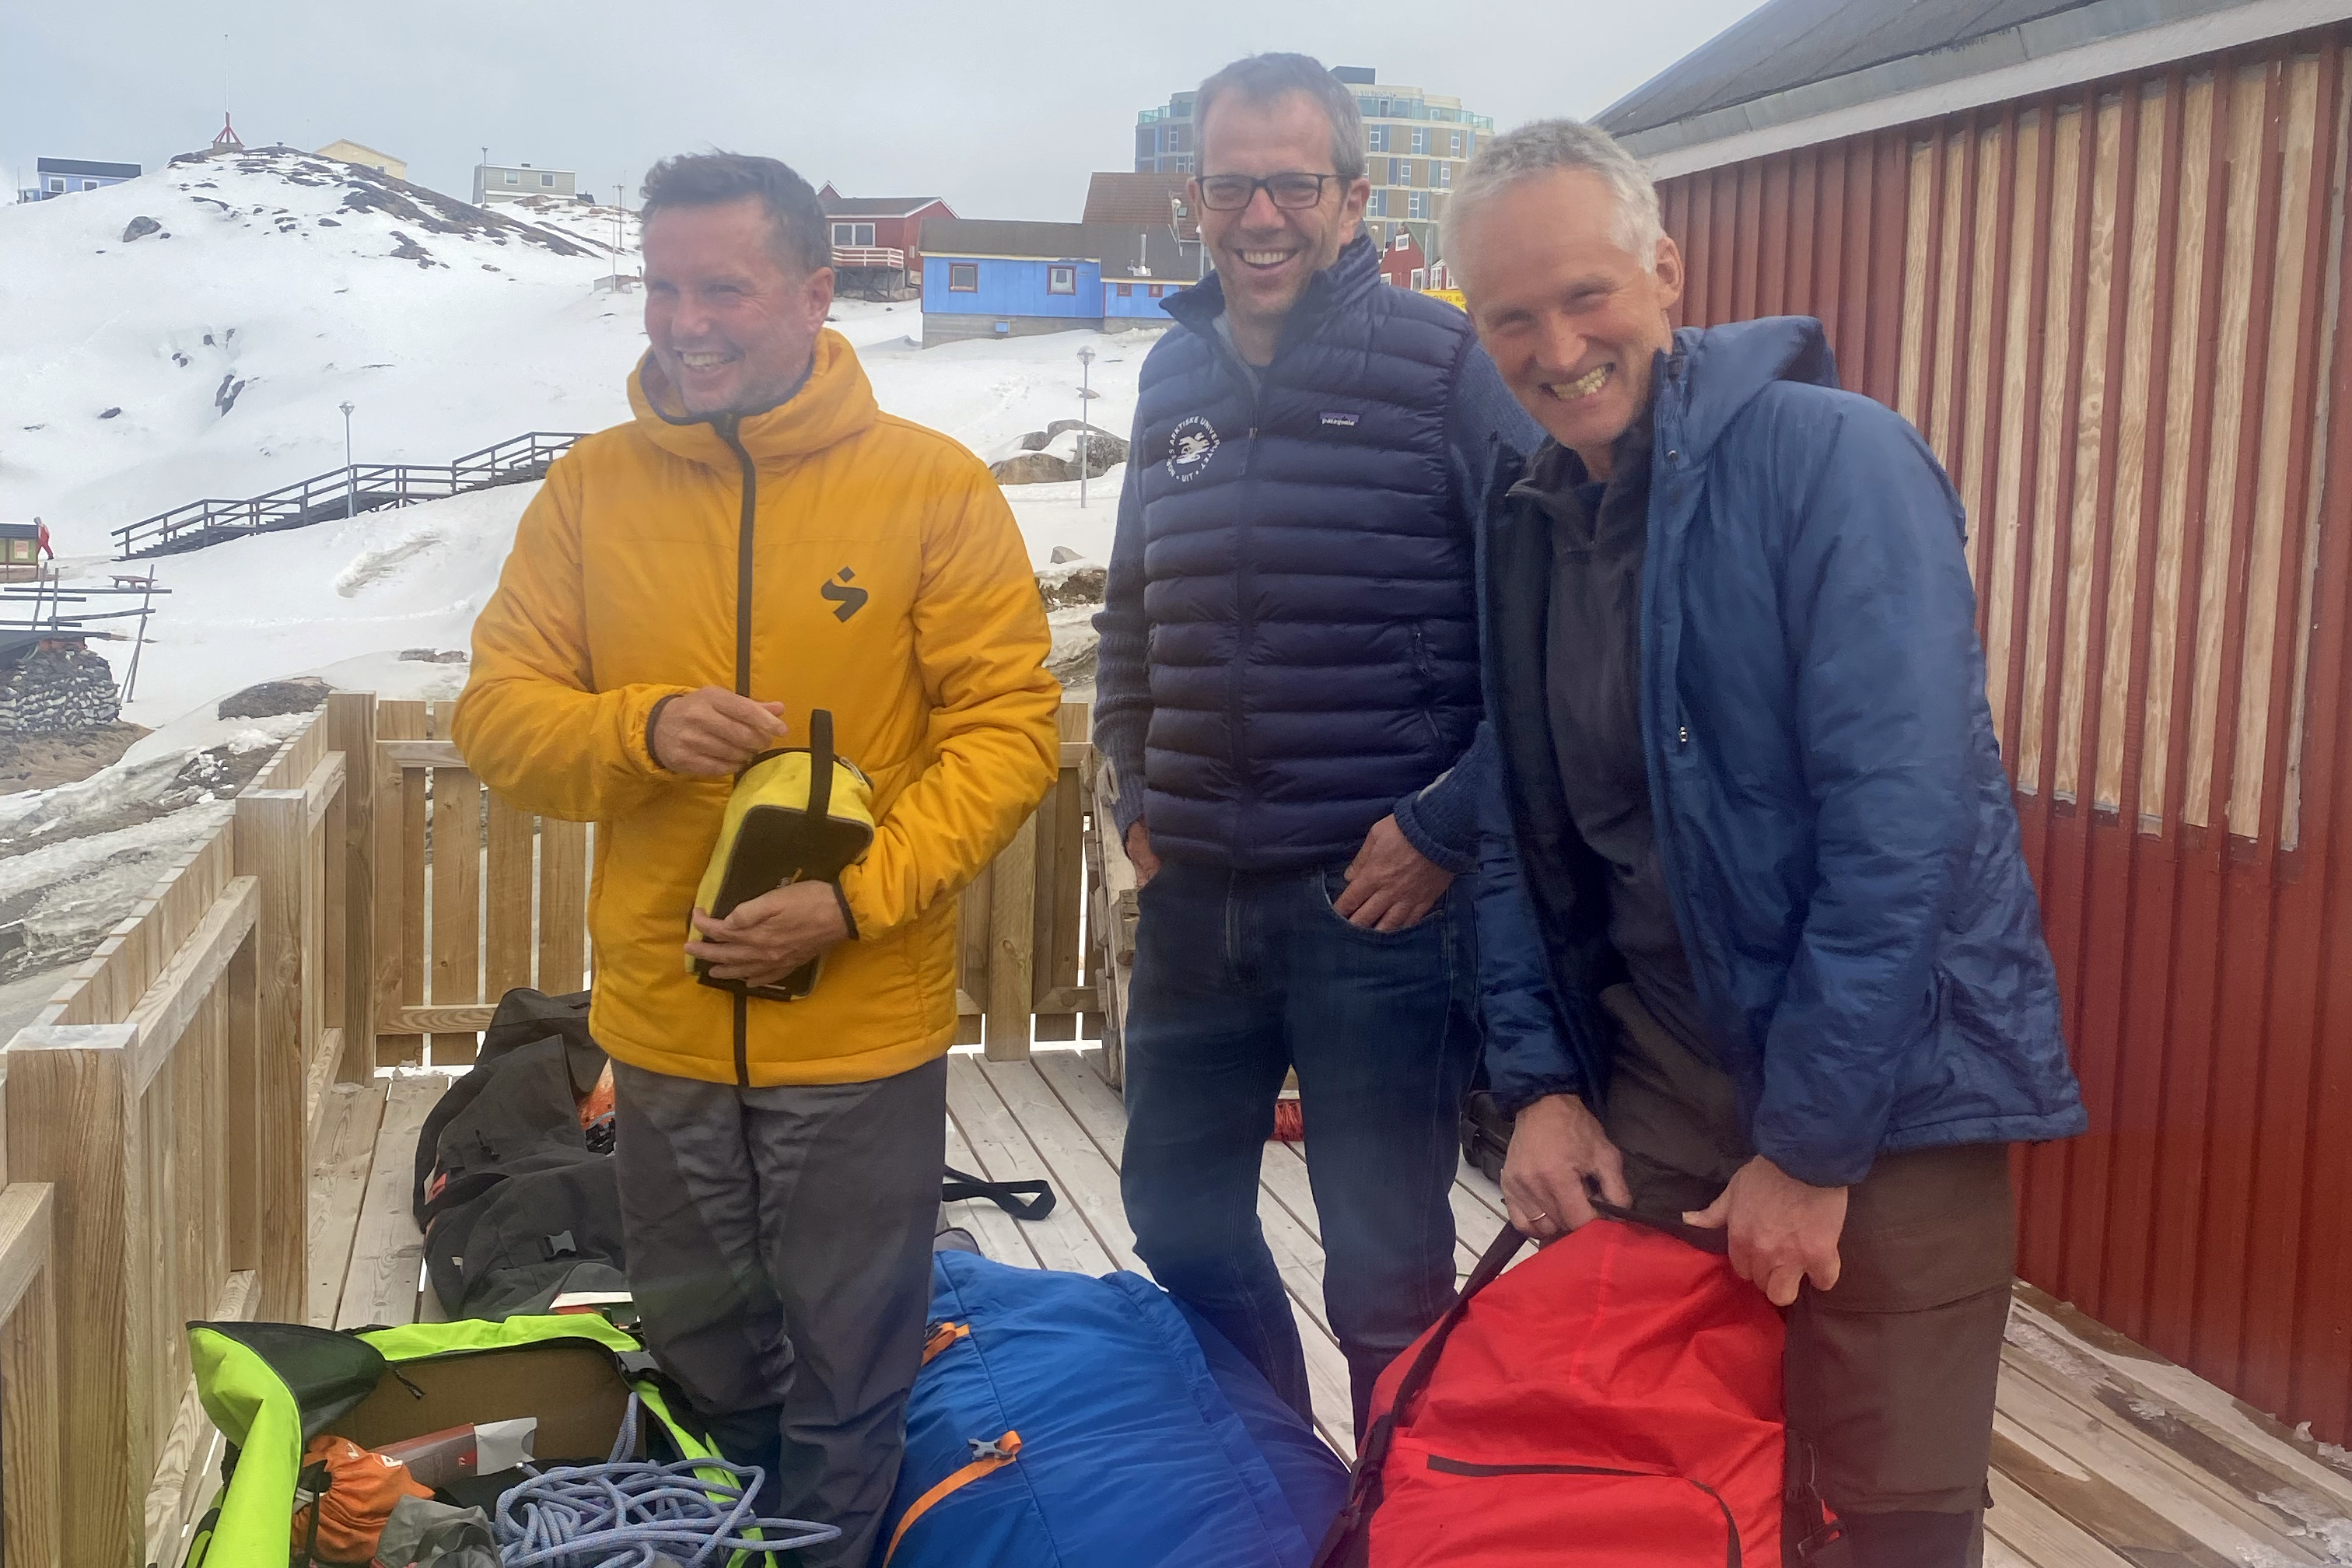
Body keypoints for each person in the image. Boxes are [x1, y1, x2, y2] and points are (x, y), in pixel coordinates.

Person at [1444, 120, 2088, 1566]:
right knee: (1667, 1512)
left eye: (1588, 294)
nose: (1558, 347)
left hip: (1888, 1113)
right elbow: (1517, 824)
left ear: (1666, 270)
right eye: (1513, 317)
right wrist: (1539, 1087)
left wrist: (1809, 1146)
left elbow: (1901, 827)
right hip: (1661, 1102)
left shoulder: (1835, 462)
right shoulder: (1530, 515)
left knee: (1887, 1528)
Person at [452, 152, 1059, 1564]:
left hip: (857, 1033)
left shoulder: (931, 488)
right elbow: (496, 720)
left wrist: (851, 900)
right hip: (663, 1031)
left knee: (853, 1369)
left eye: (721, 286)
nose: (685, 320)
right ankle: (725, 1537)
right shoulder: (589, 495)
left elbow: (1012, 729)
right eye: (663, 286)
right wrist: (641, 727)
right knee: (703, 1340)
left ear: (812, 290)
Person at [1094, 52, 1540, 1439]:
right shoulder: (1174, 370)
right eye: (1232, 186)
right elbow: (1130, 606)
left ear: (1354, 199)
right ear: (1200, 200)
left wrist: (1445, 827)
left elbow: (1550, 631)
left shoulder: (1447, 364)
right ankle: (1286, 1479)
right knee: (1174, 1219)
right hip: (1197, 900)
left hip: (1376, 905)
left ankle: (1397, 1518)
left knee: (1384, 1268)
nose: (1260, 215)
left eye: (1294, 184)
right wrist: (1131, 780)